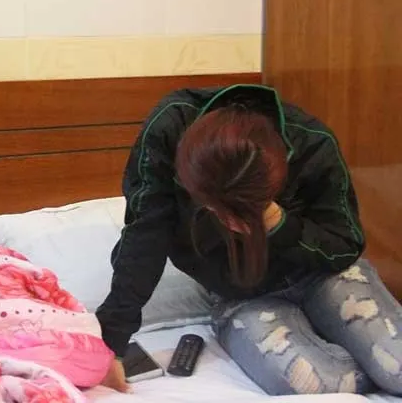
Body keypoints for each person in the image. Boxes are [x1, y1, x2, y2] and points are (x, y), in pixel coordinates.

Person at [96, 83, 402, 396]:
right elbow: (145, 234)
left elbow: (345, 242)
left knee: (397, 366)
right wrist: (110, 344)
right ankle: (364, 360)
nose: (222, 220)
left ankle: (369, 357)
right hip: (241, 295)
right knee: (321, 384)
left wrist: (277, 221)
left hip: (323, 274)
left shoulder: (311, 143)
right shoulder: (168, 131)